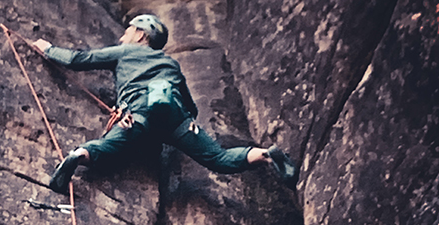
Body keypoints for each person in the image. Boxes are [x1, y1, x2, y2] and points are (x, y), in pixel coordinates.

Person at [34, 14, 297, 194]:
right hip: (176, 120)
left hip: (138, 114)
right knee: (218, 158)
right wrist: (184, 125)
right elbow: (190, 106)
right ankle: (266, 154)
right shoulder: (171, 63)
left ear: (140, 34)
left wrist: (48, 49)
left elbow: (80, 59)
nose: (123, 36)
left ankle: (77, 155)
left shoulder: (125, 51)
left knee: (108, 149)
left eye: (128, 31)